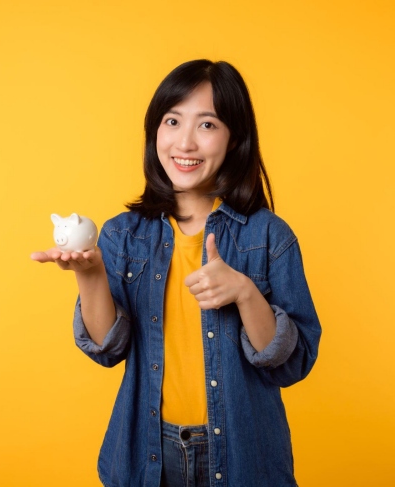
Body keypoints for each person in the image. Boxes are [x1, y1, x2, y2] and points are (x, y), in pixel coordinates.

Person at [31, 59, 322, 487]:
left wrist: (244, 293)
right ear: (155, 132)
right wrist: (90, 274)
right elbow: (107, 349)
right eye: (172, 121)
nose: (184, 143)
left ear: (234, 138)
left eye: (207, 125)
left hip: (244, 458)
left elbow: (291, 364)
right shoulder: (123, 235)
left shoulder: (269, 237)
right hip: (148, 454)